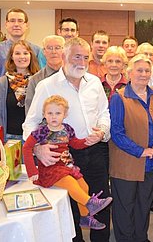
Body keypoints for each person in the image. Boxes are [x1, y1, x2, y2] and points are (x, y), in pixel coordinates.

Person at [23, 37, 111, 242]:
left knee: (100, 200)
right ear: (64, 56)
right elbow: (31, 122)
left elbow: (104, 112)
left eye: (86, 58)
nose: (81, 62)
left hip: (96, 151)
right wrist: (37, 149)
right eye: (76, 56)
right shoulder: (46, 86)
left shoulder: (95, 82)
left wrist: (102, 131)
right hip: (63, 157)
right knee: (70, 207)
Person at [23, 95, 112, 230]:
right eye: (50, 113)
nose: (54, 117)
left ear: (64, 115)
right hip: (50, 169)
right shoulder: (41, 132)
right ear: (44, 114)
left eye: (58, 113)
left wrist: (86, 141)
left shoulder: (68, 129)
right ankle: (90, 203)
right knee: (70, 183)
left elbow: (75, 143)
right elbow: (26, 148)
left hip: (66, 166)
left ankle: (85, 217)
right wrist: (32, 171)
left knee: (84, 186)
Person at [109, 54, 153, 242]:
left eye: (147, 71)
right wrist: (141, 151)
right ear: (129, 73)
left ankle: (141, 238)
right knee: (125, 208)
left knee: (143, 206)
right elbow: (117, 132)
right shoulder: (119, 98)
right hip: (126, 164)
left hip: (151, 164)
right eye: (139, 70)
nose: (143, 74)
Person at [0, 8, 46, 104]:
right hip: (4, 106)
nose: (16, 24)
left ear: (26, 25)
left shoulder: (36, 50)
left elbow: (41, 81)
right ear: (6, 24)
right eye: (12, 21)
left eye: (20, 21)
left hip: (30, 105)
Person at [0, 40, 40, 141]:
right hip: (9, 138)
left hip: (33, 138)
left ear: (31, 56)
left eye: (25, 53)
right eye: (17, 53)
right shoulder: (2, 83)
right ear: (11, 57)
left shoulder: (39, 81)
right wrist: (0, 139)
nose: (22, 57)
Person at [25, 35, 65, 114]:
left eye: (57, 48)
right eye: (49, 48)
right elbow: (30, 111)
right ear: (44, 51)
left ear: (64, 50)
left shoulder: (73, 77)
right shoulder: (35, 80)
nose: (54, 52)